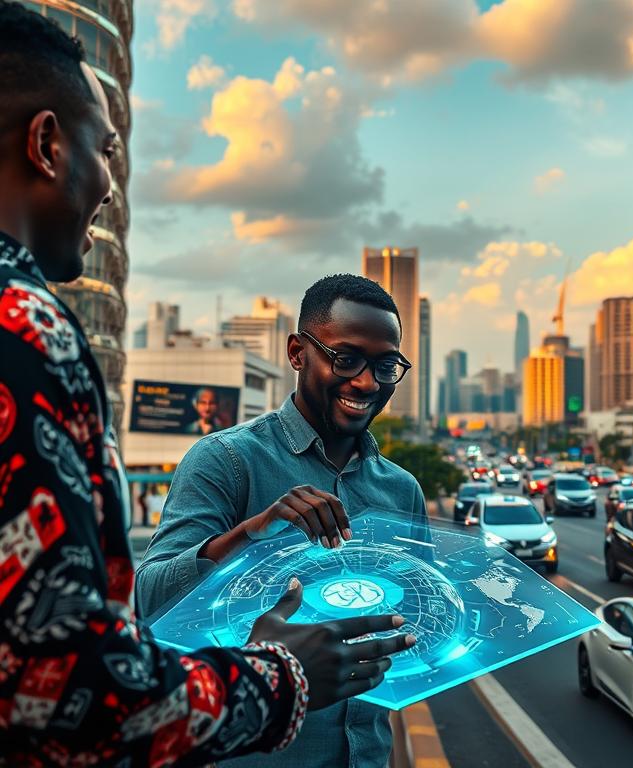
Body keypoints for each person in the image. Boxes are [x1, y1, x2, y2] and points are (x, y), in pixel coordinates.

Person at [0, 4, 413, 764]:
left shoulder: (403, 490)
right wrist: (278, 674)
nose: (110, 188)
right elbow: (62, 680)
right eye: (108, 151)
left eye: (386, 365)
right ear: (48, 144)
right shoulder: (28, 332)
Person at [138, 274, 426, 768]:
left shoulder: (401, 491)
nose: (366, 383)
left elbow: (412, 628)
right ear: (297, 353)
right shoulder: (225, 460)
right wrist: (253, 533)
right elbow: (150, 600)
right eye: (346, 358)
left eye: (385, 366)